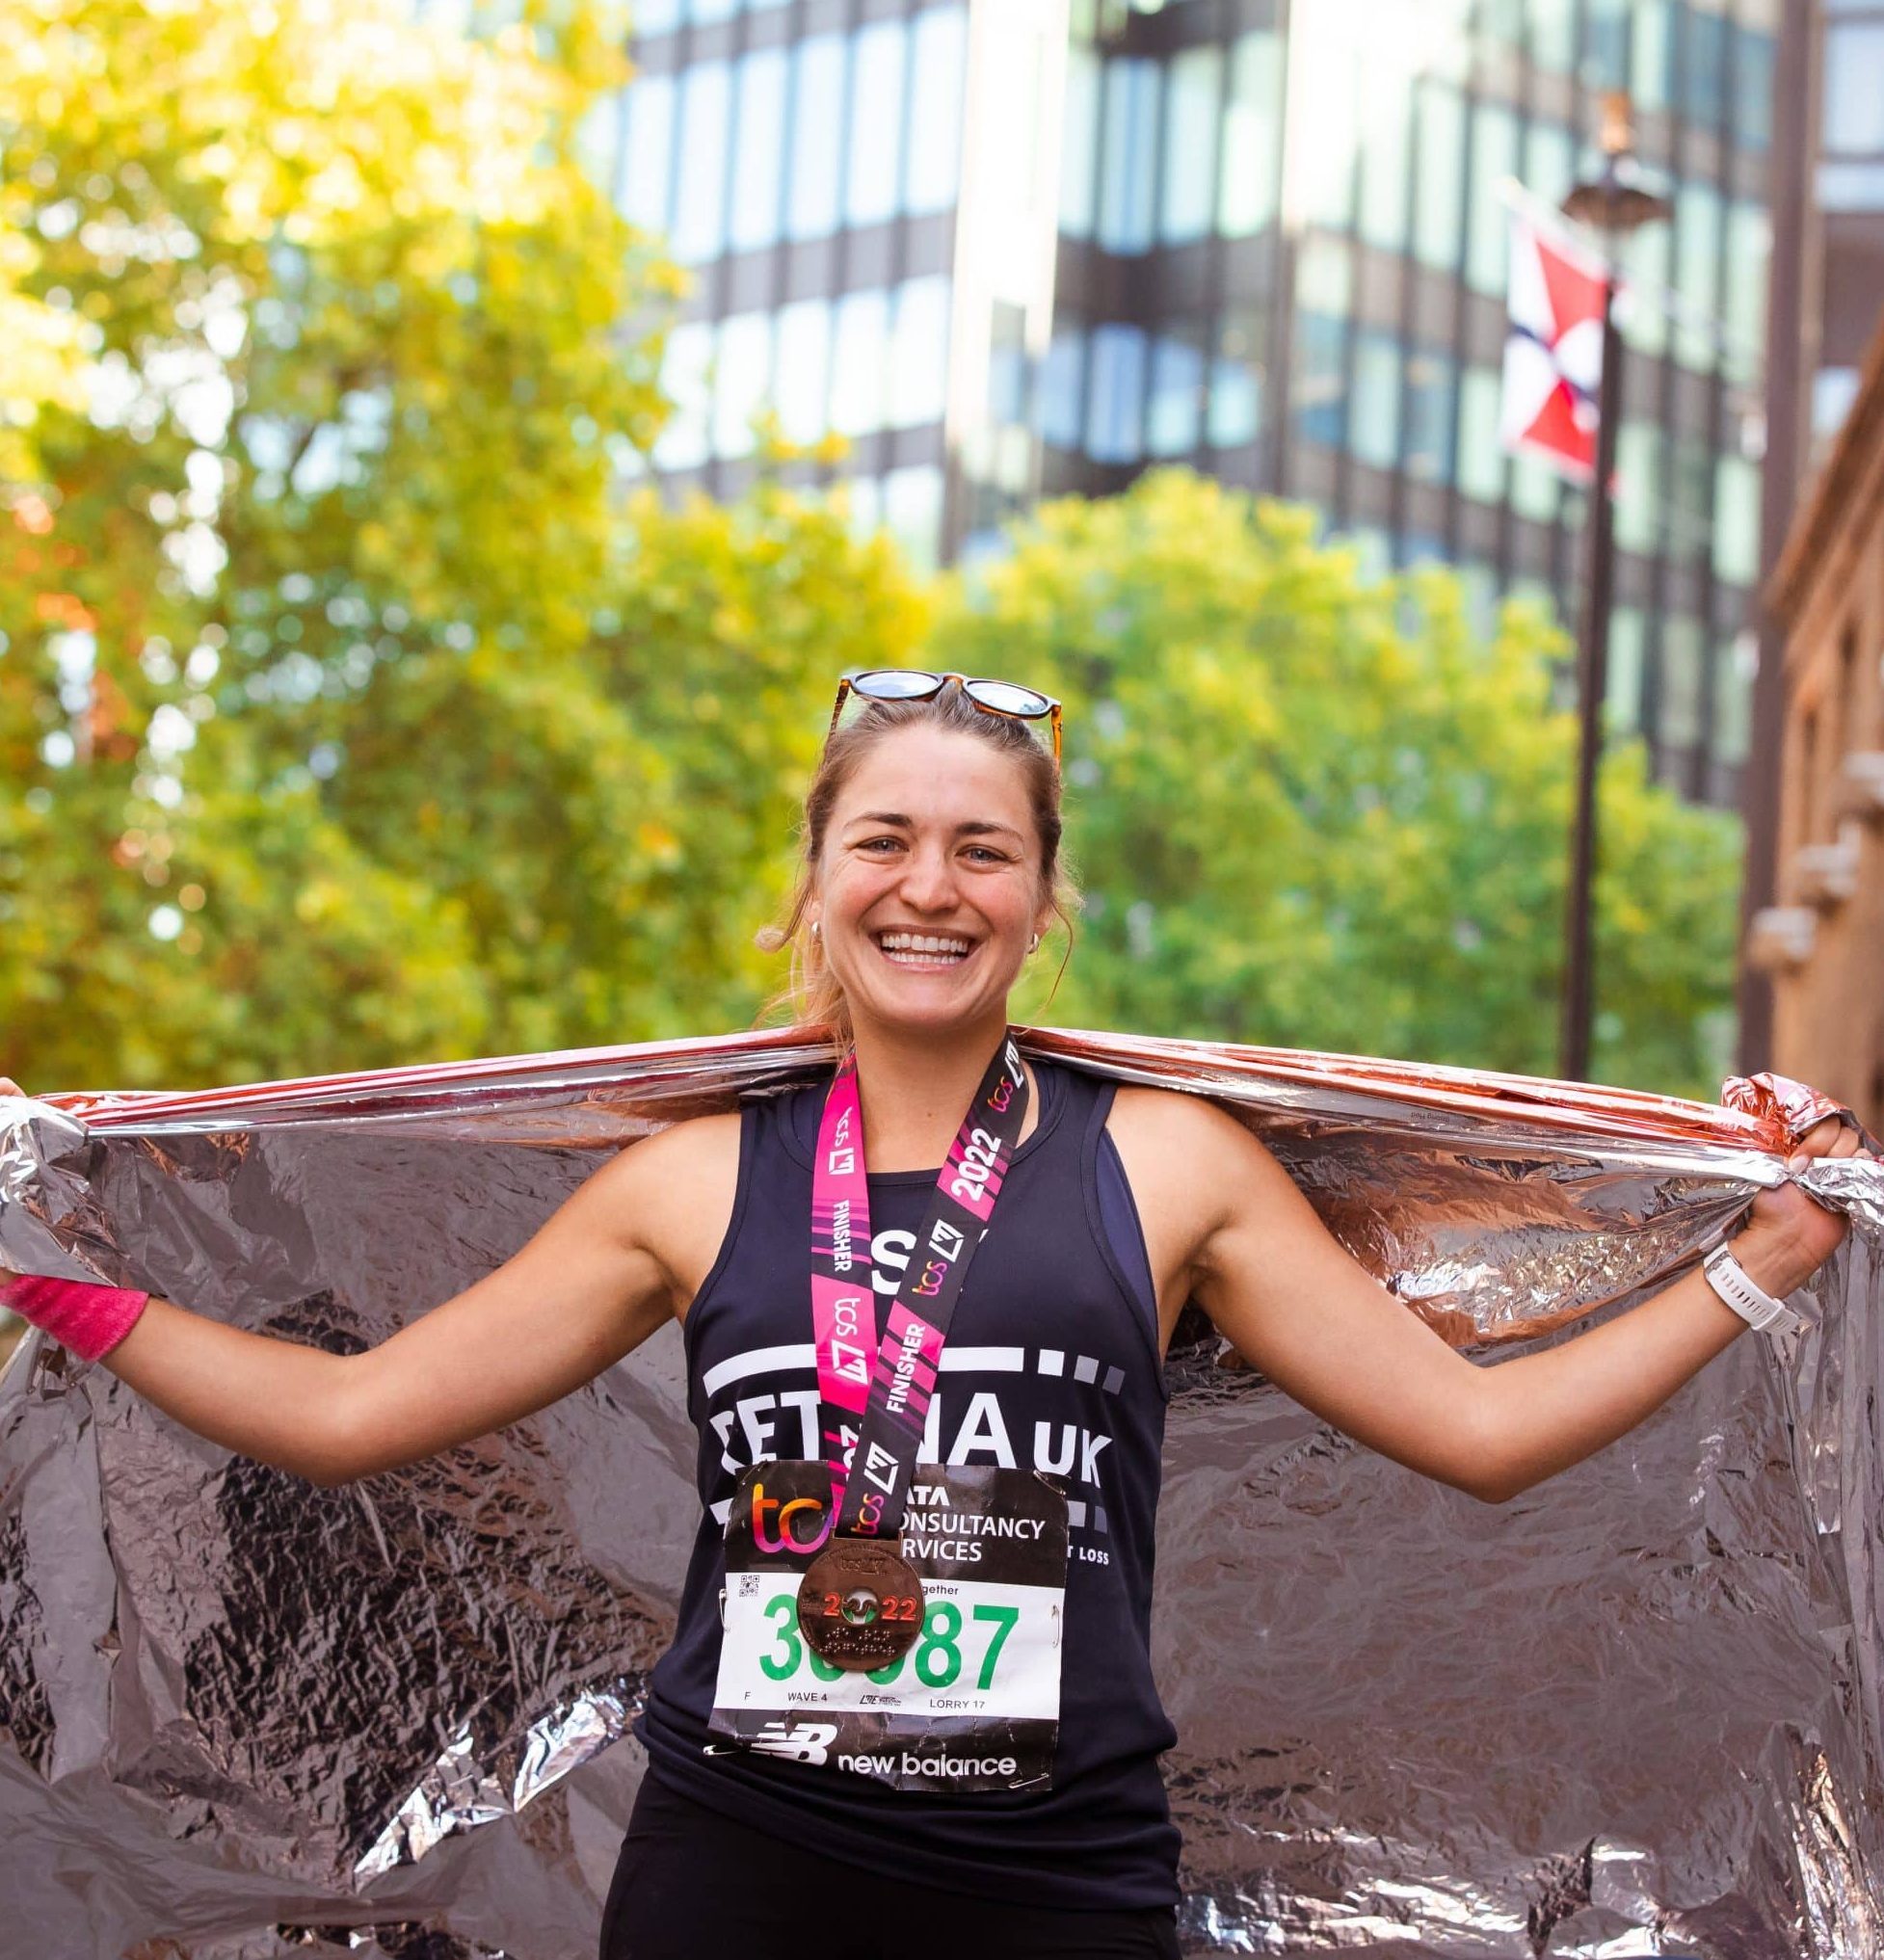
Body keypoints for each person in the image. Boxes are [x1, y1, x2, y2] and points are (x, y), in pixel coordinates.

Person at [0, 672, 1872, 1960]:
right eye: (884, 839)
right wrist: (61, 1292)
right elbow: (355, 1417)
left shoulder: (1171, 1167)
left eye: (985, 850)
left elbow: (1482, 1436)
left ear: (1041, 902)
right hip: (744, 1861)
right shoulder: (691, 1184)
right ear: (813, 885)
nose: (930, 885)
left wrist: (1754, 1260)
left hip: (1053, 1882)